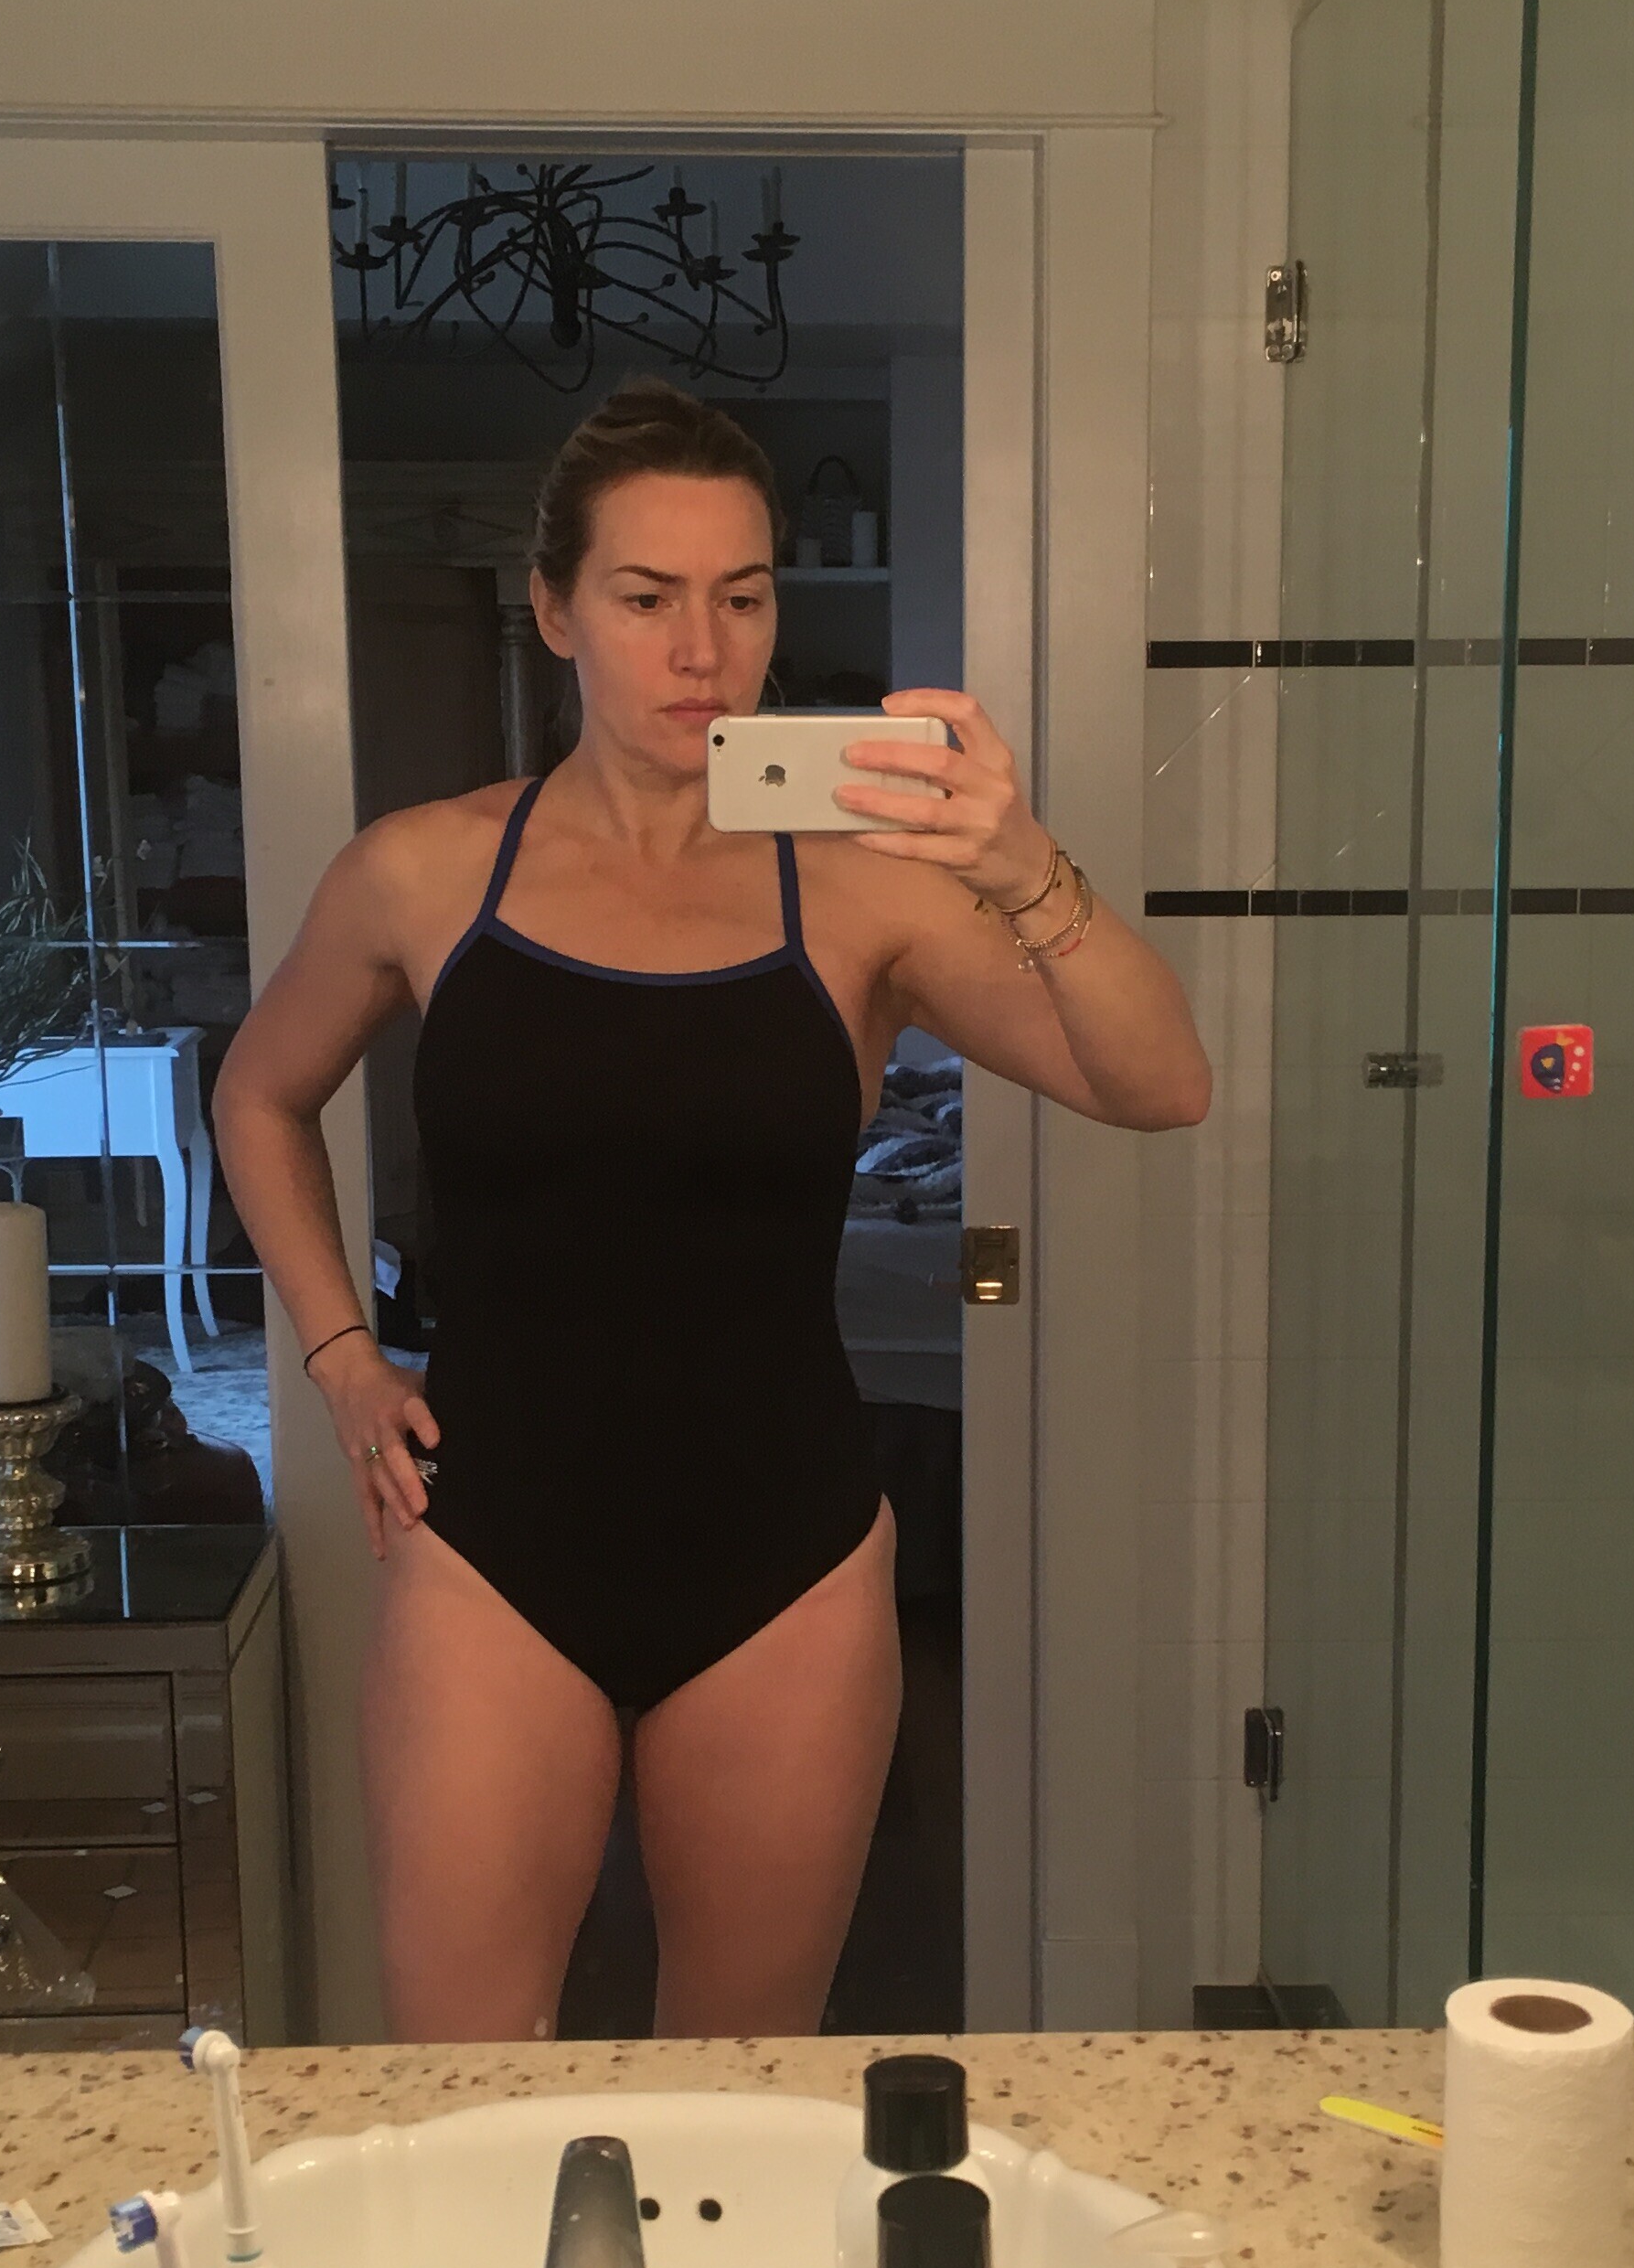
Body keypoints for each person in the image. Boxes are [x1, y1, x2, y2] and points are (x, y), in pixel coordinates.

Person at [217, 378, 1210, 2042]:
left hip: (784, 1563)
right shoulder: (422, 872)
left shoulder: (870, 885)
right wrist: (338, 1356)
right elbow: (258, 1095)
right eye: (646, 597)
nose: (702, 650)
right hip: (495, 1548)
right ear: (555, 611)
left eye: (742, 599)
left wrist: (1023, 861)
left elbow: (1160, 1080)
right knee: (458, 2090)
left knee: (739, 2094)